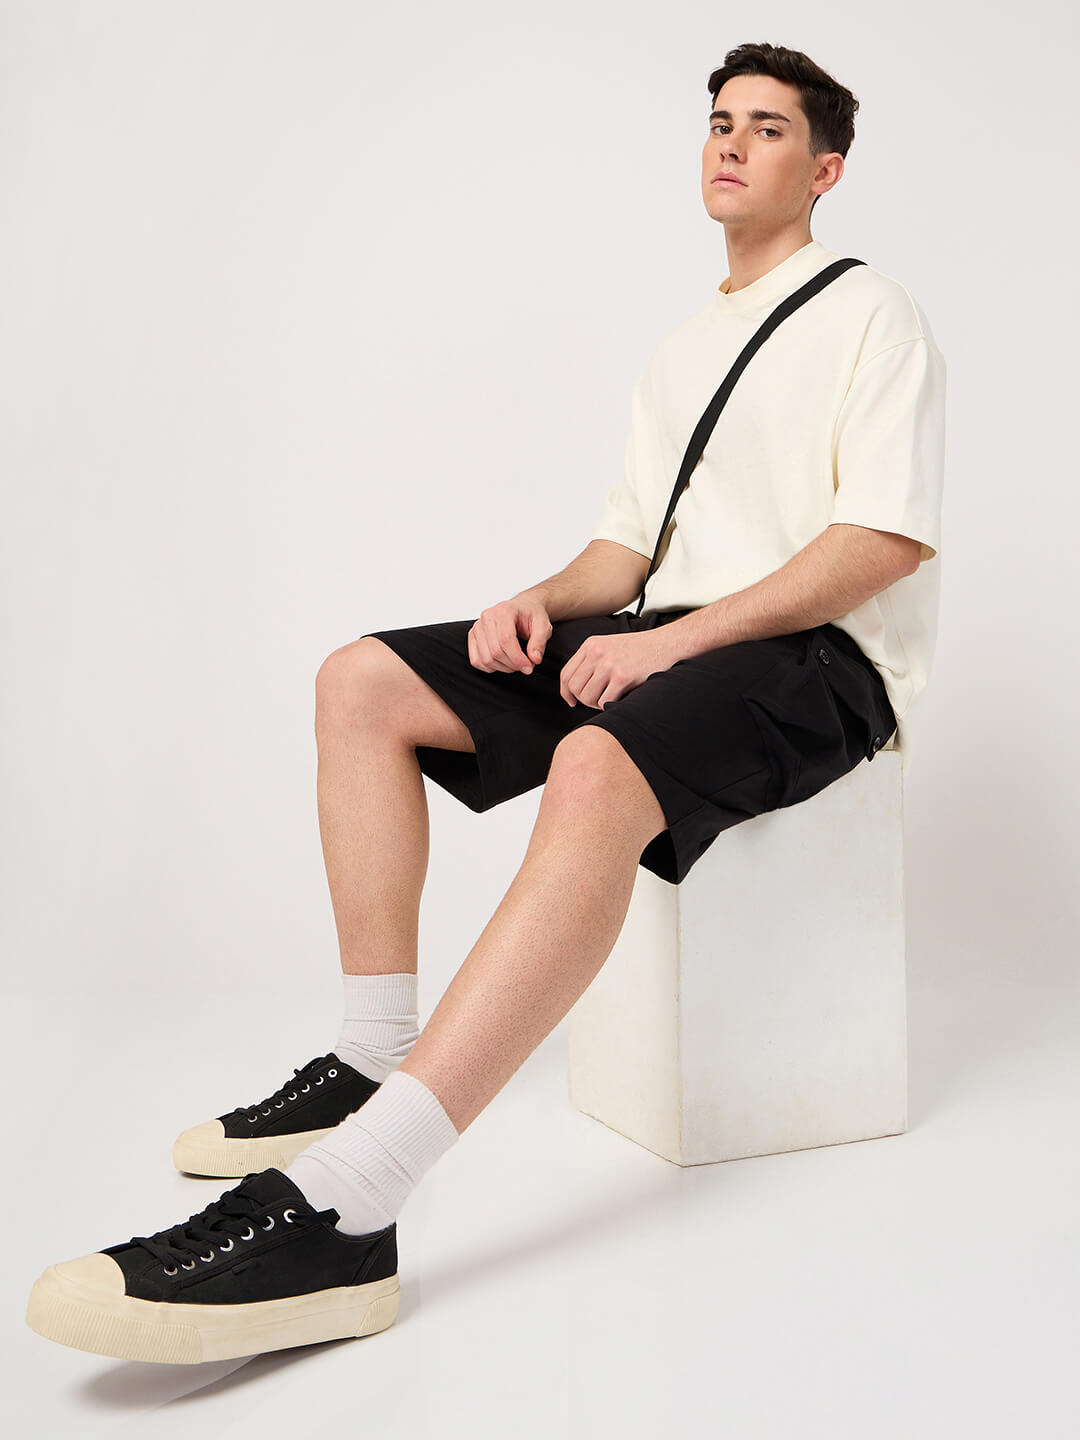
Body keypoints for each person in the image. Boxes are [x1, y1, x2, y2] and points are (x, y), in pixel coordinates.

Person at [26, 41, 945, 1365]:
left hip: (820, 664)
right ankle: (367, 1054)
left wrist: (675, 648)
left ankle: (354, 1205)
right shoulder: (683, 346)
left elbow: (881, 542)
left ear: (826, 169)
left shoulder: (872, 313)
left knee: (595, 767)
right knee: (361, 682)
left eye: (768, 127)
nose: (732, 144)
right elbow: (627, 553)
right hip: (669, 637)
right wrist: (541, 602)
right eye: (718, 122)